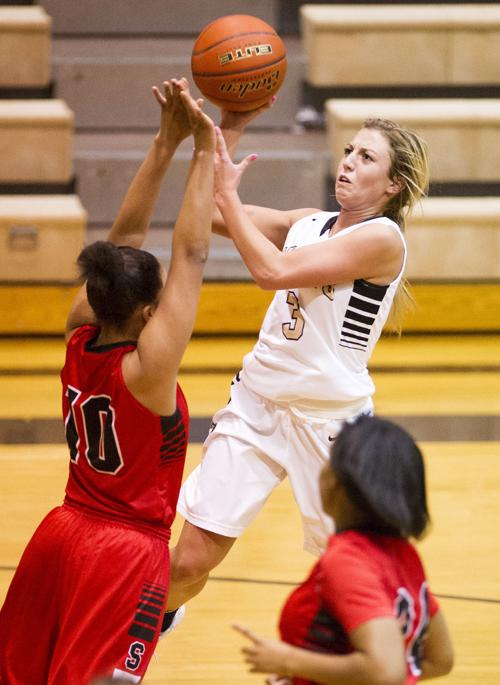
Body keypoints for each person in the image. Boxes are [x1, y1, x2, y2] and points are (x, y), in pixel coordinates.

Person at [164, 105, 430, 622]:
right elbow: (204, 213)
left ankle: (388, 650)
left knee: (352, 571)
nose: (348, 161)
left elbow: (272, 271)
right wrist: (229, 131)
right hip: (257, 407)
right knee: (189, 561)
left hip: (331, 424)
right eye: (349, 150)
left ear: (393, 184)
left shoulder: (382, 240)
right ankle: (140, 642)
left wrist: (228, 196)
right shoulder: (306, 223)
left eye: (366, 157)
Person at [0, 78, 215, 684]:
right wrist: (205, 148)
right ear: (148, 313)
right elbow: (191, 254)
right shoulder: (148, 372)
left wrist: (163, 144)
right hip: (123, 554)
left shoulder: (78, 335)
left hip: (60, 534)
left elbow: (120, 244)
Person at [233, 414, 454, 685]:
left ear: (339, 482)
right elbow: (440, 659)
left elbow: (385, 671)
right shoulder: (405, 555)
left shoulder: (347, 561)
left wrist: (288, 660)